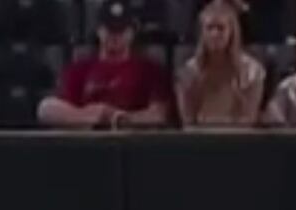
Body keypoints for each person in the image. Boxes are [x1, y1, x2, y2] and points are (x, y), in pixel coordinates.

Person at [37, 0, 170, 130]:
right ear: (99, 30)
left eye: (121, 30)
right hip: (87, 136)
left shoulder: (150, 70)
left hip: (131, 137)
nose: (115, 36)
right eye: (110, 29)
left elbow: (159, 114)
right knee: (45, 107)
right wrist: (96, 115)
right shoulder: (79, 69)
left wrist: (118, 118)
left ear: (132, 32)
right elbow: (50, 110)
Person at [176, 0, 265, 128]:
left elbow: (249, 118)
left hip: (239, 136)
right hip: (200, 137)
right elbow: (188, 122)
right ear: (202, 33)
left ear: (232, 32)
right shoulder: (188, 72)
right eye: (209, 28)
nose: (214, 34)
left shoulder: (253, 71)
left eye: (220, 28)